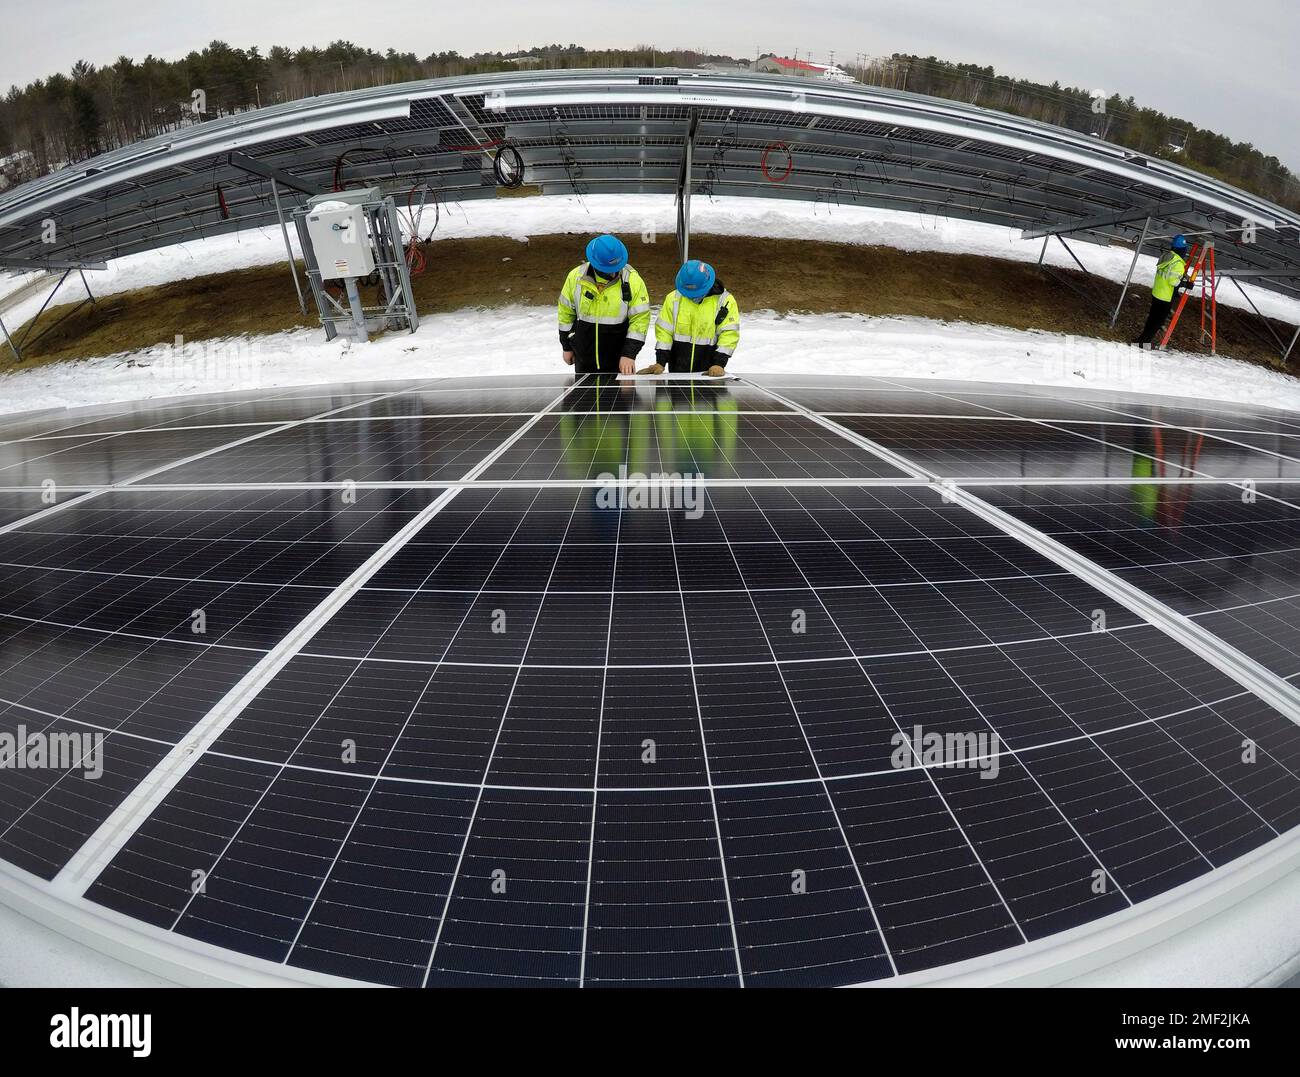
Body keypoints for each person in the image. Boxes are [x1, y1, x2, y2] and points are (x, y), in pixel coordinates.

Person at [556, 234, 651, 376]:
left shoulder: (633, 281)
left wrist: (629, 354)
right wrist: (566, 346)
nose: (614, 272)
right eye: (609, 269)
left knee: (617, 399)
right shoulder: (576, 278)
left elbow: (640, 319)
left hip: (619, 361)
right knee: (584, 397)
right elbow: (565, 313)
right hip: (584, 359)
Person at [639, 261, 740, 376]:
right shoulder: (673, 298)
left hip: (709, 373)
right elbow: (664, 332)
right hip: (677, 372)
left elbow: (729, 334)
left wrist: (719, 363)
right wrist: (660, 361)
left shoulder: (725, 302)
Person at [1133, 234, 1193, 346]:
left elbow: (1167, 273)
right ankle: (1144, 343)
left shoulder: (1167, 256)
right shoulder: (1178, 264)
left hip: (1157, 292)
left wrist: (1182, 276)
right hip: (1165, 296)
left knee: (1152, 318)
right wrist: (1186, 284)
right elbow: (1173, 281)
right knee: (1157, 322)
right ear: (1183, 250)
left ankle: (1140, 339)